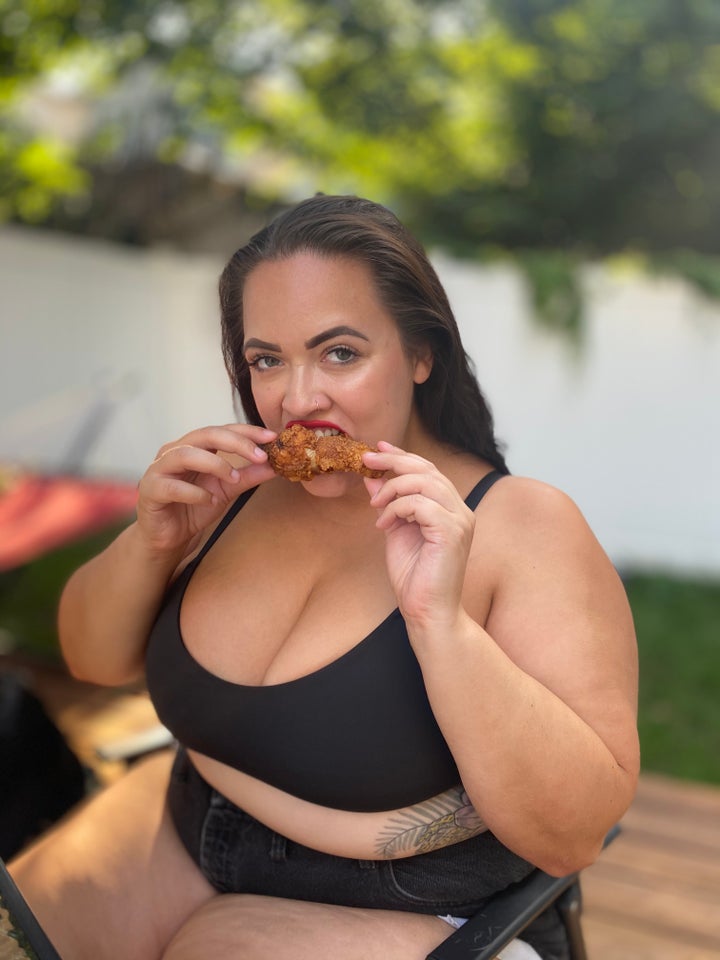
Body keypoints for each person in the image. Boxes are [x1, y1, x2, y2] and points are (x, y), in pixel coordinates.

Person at [9, 194, 639, 960]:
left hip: (410, 902)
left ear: (420, 352)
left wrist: (440, 625)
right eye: (266, 359)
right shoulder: (230, 492)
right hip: (183, 825)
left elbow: (574, 835)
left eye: (340, 353)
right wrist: (152, 540)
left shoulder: (527, 527)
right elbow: (92, 661)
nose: (297, 400)